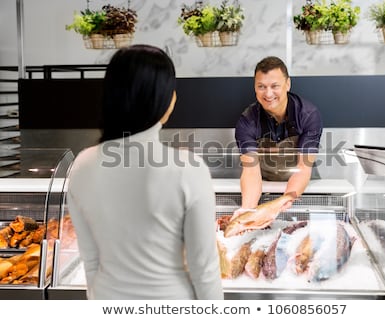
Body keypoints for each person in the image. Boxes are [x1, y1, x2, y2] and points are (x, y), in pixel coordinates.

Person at [67, 44, 223, 300]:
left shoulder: (82, 165)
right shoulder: (188, 168)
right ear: (163, 99)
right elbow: (203, 269)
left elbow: (91, 262)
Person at [235, 56, 323, 212]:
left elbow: (303, 168)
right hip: (263, 191)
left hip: (301, 191)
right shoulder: (247, 120)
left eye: (275, 86)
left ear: (287, 84)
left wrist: (285, 201)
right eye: (261, 86)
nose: (268, 94)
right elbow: (251, 170)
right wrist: (247, 212)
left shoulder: (308, 114)